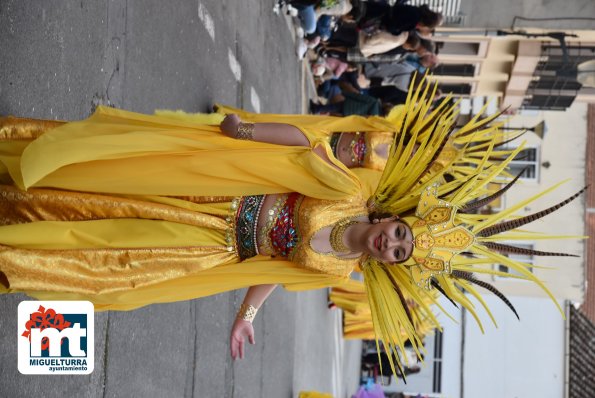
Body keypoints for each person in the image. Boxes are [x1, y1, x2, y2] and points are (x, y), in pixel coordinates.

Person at [0, 84, 580, 373]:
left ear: (391, 265)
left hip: (214, 251)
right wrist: (246, 132)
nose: (392, 242)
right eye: (400, 232)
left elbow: (277, 270)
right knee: (104, 190)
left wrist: (247, 315)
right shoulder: (352, 194)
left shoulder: (342, 267)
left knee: (109, 264)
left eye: (399, 252)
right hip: (217, 198)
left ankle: (14, 255)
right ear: (392, 218)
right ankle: (19, 188)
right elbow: (310, 147)